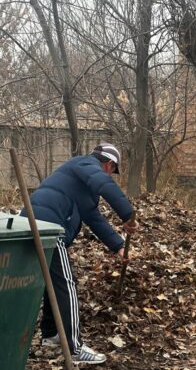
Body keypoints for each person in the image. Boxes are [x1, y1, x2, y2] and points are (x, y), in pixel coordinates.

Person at [20, 143, 138, 365]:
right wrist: (128, 214)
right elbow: (104, 183)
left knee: (52, 282)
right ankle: (75, 347)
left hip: (32, 224)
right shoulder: (85, 163)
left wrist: (119, 246)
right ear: (109, 165)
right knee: (67, 283)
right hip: (47, 227)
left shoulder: (80, 185)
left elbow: (94, 218)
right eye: (113, 171)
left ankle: (51, 335)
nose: (111, 175)